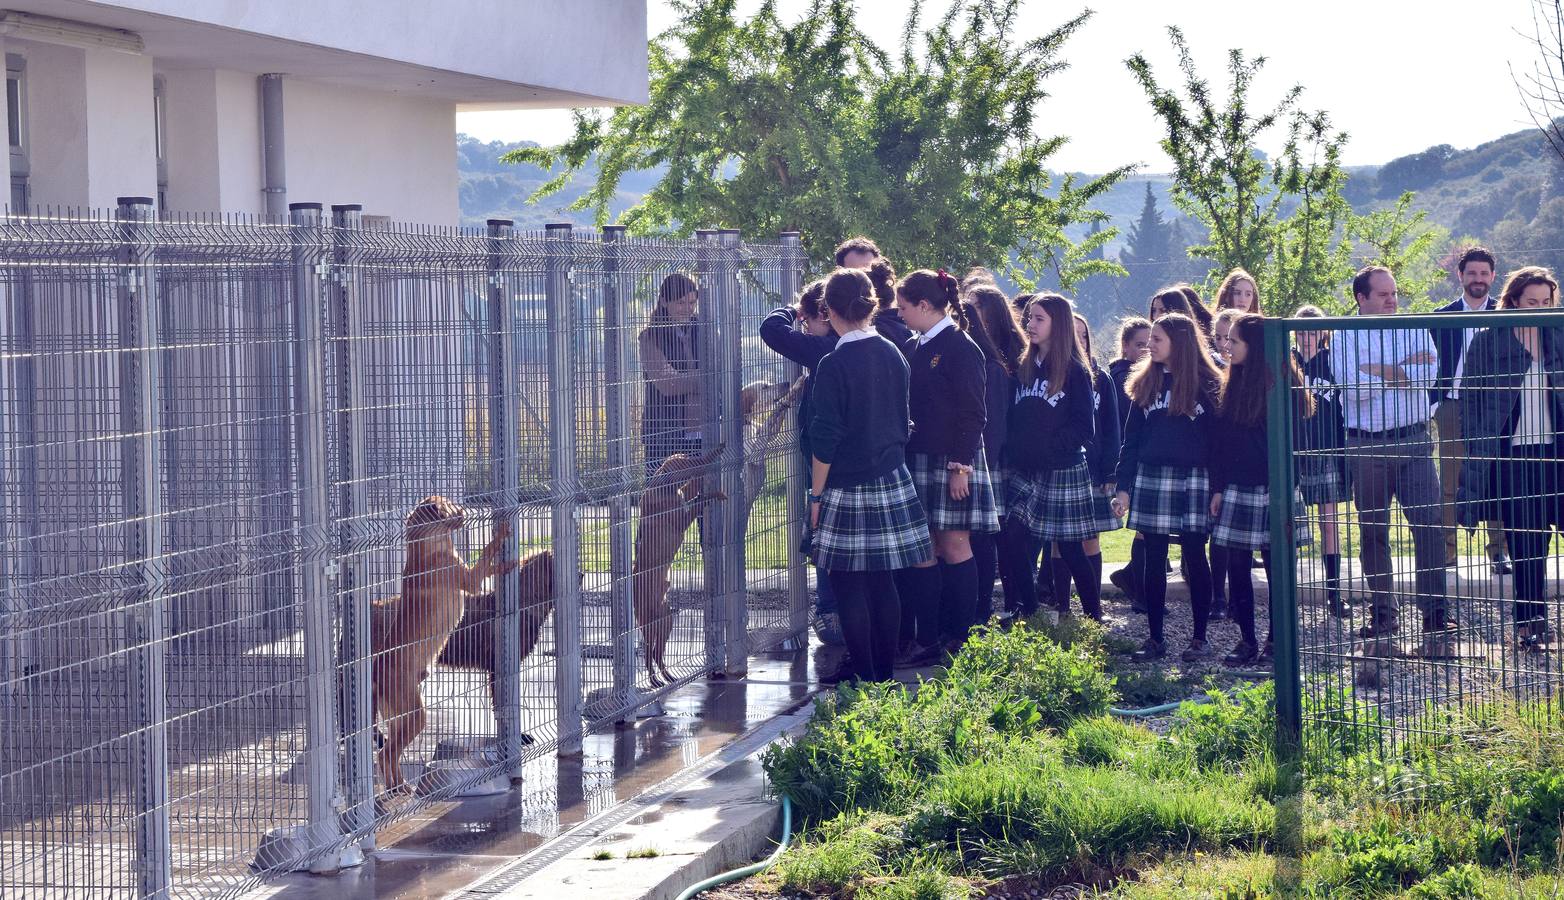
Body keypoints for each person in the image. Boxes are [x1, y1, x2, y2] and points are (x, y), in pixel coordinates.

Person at [808, 268, 933, 683]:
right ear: (871, 305)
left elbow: (825, 440)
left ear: (827, 311)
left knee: (848, 587)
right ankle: (884, 677)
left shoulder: (833, 363)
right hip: (892, 478)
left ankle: (865, 678)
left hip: (845, 485)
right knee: (884, 583)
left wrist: (816, 496)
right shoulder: (894, 352)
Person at [1329, 265, 1450, 646]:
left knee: (1429, 526)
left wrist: (1377, 371)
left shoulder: (1413, 326)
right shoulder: (1344, 334)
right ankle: (1383, 614)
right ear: (1361, 298)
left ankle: (1435, 615)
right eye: (1383, 294)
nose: (1392, 300)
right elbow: (1353, 389)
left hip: (1414, 442)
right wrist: (1400, 371)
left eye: (1394, 292)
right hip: (1367, 445)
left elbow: (1429, 378)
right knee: (1373, 533)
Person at [1457, 265, 1564, 650]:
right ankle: (1530, 625)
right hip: (1513, 458)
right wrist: (1478, 440)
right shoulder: (1488, 341)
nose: (1539, 307)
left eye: (1546, 302)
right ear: (1514, 301)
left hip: (1558, 454)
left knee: (1549, 538)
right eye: (1531, 301)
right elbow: (1468, 399)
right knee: (1526, 543)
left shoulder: (1559, 335)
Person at [897, 269, 1000, 662]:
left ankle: (962, 635)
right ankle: (930, 636)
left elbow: (974, 413)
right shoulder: (915, 344)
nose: (901, 314)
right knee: (925, 548)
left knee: (955, 545)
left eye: (905, 307)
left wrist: (961, 466)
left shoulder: (960, 346)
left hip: (952, 461)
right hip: (919, 458)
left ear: (925, 306)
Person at [1112, 312, 1220, 660]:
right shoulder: (1145, 383)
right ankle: (1156, 638)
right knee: (1154, 560)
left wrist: (1217, 487)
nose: (1150, 346)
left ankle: (1199, 639)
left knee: (1194, 554)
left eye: (1157, 339)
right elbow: (1131, 440)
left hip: (1194, 478)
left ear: (1180, 343)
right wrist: (1124, 487)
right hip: (1152, 476)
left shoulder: (1207, 383)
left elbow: (1220, 444)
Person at [1209, 314, 1314, 666]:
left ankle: (1278, 640)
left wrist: (1285, 485)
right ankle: (1247, 640)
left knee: (1277, 569)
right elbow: (1220, 445)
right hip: (1239, 489)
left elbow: (1294, 443)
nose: (1226, 346)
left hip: (1276, 489)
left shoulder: (1284, 386)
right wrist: (1219, 487)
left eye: (1234, 341)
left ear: (1254, 348)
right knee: (1237, 567)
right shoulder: (1232, 381)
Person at [1000, 294, 1102, 621]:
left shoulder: (1075, 371)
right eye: (1029, 318)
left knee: (1070, 549)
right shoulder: (1024, 367)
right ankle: (1028, 609)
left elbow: (1084, 427)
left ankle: (1093, 614)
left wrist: (1048, 448)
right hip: (1026, 470)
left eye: (1039, 319)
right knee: (1013, 536)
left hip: (1062, 468)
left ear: (1057, 324)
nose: (1030, 324)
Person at [759, 279, 844, 645]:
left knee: (825, 535)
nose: (803, 327)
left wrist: (791, 311)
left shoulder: (825, 347)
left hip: (828, 465)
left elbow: (770, 329)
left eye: (807, 320)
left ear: (823, 315)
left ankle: (830, 614)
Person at [1433, 246, 1510, 574]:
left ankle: (1499, 551)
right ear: (1460, 275)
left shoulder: (1505, 314)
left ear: (1493, 277)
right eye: (1472, 273)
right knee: (1450, 480)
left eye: (1484, 273)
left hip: (1495, 406)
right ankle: (1448, 551)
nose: (1478, 279)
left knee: (1495, 476)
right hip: (1452, 406)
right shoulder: (1441, 317)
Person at [1045, 312, 1121, 612]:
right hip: (1062, 469)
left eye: (1084, 335)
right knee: (1058, 542)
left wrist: (1110, 469)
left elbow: (1112, 428)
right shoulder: (1050, 375)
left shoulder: (1100, 377)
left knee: (1090, 539)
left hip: (1094, 469)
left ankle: (1094, 609)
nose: (1080, 341)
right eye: (1073, 335)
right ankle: (1062, 607)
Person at [964, 284, 1025, 623]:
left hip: (993, 458)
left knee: (996, 535)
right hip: (985, 455)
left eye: (974, 308)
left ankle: (1008, 603)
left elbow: (996, 421)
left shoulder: (1001, 361)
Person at [1293, 305, 1352, 619]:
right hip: (1292, 452)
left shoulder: (1334, 362)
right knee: (1288, 524)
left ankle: (1334, 592)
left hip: (1326, 450)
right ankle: (1288, 590)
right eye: (1301, 330)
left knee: (1329, 523)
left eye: (1313, 330)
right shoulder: (1288, 360)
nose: (1306, 336)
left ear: (1323, 333)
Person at [639, 272, 704, 477]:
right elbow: (667, 384)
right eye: (681, 302)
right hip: (663, 433)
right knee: (662, 500)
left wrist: (688, 379)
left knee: (700, 499)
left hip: (702, 431)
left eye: (692, 302)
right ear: (664, 301)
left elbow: (721, 370)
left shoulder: (704, 330)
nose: (688, 308)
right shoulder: (650, 337)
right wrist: (705, 379)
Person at [1107, 316, 1152, 607]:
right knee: (1144, 529)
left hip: (1141, 456)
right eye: (1140, 345)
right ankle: (1138, 584)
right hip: (1130, 457)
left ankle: (1134, 578)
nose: (1146, 351)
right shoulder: (1124, 379)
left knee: (1145, 530)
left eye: (1151, 344)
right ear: (1125, 347)